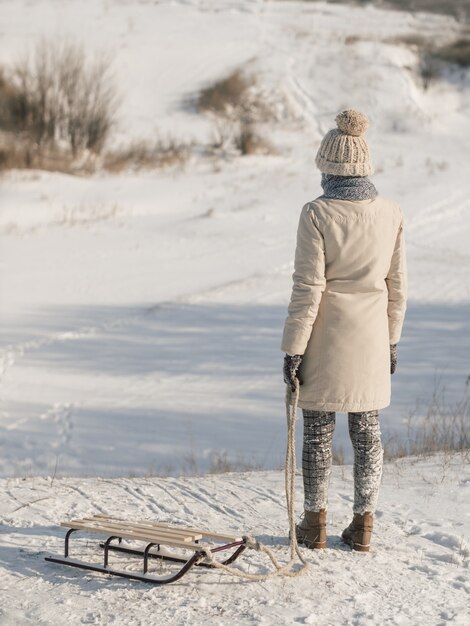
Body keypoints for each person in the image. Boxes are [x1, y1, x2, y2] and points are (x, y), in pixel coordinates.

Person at [281, 109, 407, 552]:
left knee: (317, 432)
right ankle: (363, 525)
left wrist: (293, 348)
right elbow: (397, 288)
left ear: (327, 166)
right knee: (367, 431)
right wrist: (391, 341)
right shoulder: (391, 213)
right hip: (372, 339)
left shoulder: (316, 213)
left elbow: (308, 287)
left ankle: (313, 524)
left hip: (324, 340)